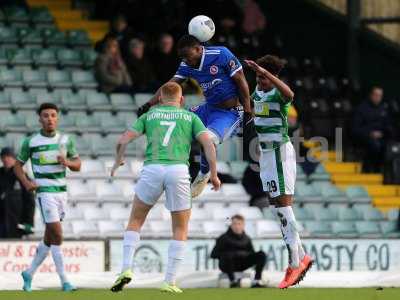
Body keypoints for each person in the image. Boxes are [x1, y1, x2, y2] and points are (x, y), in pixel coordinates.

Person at [110, 82, 221, 293]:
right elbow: (208, 144)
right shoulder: (190, 117)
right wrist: (213, 174)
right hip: (178, 170)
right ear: (181, 100)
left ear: (160, 98)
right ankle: (169, 281)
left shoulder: (149, 116)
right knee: (180, 228)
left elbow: (123, 139)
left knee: (135, 220)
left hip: (152, 169)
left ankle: (125, 269)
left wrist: (118, 160)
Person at [137, 34, 252, 199]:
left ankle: (203, 174)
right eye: (183, 57)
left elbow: (241, 80)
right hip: (208, 108)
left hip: (229, 113)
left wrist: (248, 111)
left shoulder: (221, 54)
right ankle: (165, 169)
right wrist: (149, 104)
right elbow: (170, 85)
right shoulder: (187, 64)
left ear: (198, 49)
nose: (187, 61)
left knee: (208, 139)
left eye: (189, 56)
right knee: (173, 121)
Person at [245, 56, 313, 289]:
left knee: (284, 207)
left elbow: (290, 94)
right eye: (259, 77)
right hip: (265, 155)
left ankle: (295, 262)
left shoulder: (278, 94)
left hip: (279, 153)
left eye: (264, 77)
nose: (261, 81)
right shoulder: (258, 92)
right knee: (277, 206)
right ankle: (302, 255)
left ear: (273, 76)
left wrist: (268, 74)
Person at [14, 103, 81, 292]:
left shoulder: (66, 140)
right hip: (45, 193)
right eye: (45, 115)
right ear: (40, 119)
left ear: (57, 118)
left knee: (49, 238)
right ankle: (65, 281)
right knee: (58, 234)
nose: (49, 119)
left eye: (53, 115)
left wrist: (67, 162)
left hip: (62, 193)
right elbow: (18, 166)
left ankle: (28, 272)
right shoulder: (31, 141)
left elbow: (78, 165)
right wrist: (27, 183)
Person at [210, 214, 266, 288]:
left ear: (243, 225)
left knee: (261, 254)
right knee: (228, 255)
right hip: (227, 265)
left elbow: (251, 253)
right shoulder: (223, 238)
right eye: (234, 224)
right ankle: (233, 281)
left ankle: (257, 280)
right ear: (231, 225)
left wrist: (240, 254)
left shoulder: (247, 239)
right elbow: (213, 254)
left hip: (242, 264)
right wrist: (229, 254)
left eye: (239, 224)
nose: (237, 226)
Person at [352, 86, 394, 173]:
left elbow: (388, 126)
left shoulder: (384, 109)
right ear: (371, 95)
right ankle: (369, 170)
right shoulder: (361, 109)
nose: (378, 97)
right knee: (374, 145)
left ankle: (386, 173)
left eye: (380, 95)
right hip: (365, 138)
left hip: (381, 137)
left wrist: (383, 133)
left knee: (391, 147)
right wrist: (370, 133)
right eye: (376, 95)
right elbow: (355, 129)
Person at [0, 147, 35, 238]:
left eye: (9, 157)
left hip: (16, 223)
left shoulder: (21, 175)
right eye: (3, 157)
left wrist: (29, 222)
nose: (6, 159)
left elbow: (30, 201)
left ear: (14, 159)